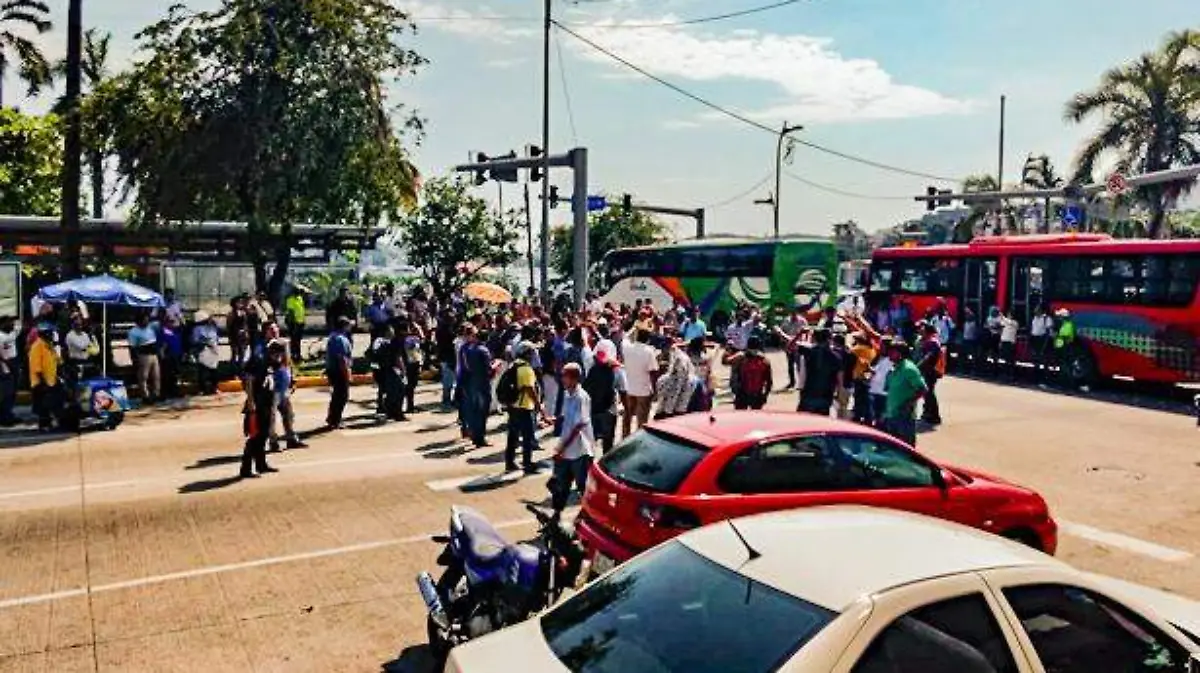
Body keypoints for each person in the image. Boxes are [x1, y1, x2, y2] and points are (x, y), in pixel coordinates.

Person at [550, 363, 594, 512]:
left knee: (583, 488)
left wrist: (562, 448)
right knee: (559, 487)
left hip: (579, 451)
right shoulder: (568, 394)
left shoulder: (582, 397)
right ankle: (555, 519)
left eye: (565, 376)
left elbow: (578, 427)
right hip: (566, 450)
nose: (562, 379)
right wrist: (555, 420)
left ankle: (587, 517)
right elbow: (567, 418)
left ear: (574, 378)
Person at [240, 341, 282, 478]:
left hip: (266, 403)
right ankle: (245, 469)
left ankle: (261, 464)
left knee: (263, 435)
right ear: (272, 353)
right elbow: (249, 380)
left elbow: (282, 366)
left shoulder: (272, 362)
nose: (279, 358)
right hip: (257, 404)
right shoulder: (259, 361)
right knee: (255, 437)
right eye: (278, 355)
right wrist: (251, 401)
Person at [503, 343, 542, 473]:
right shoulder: (526, 369)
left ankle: (510, 462)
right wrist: (537, 404)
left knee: (513, 435)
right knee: (528, 436)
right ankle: (527, 463)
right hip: (524, 406)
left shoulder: (514, 364)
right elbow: (530, 388)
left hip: (513, 406)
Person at [882, 341, 927, 446]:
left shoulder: (909, 369)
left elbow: (922, 389)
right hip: (891, 414)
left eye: (892, 352)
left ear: (900, 353)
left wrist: (907, 404)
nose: (889, 354)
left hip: (904, 416)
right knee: (893, 448)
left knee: (906, 447)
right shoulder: (894, 368)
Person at [620, 328, 659, 438]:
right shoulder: (649, 351)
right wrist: (654, 390)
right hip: (644, 390)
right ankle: (639, 441)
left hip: (629, 388)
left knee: (627, 416)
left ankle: (625, 438)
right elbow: (653, 372)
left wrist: (634, 328)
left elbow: (625, 337)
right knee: (642, 420)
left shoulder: (627, 348)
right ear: (648, 339)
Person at [582, 347, 621, 454]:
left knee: (591, 440)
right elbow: (621, 390)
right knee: (607, 441)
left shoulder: (593, 370)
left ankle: (589, 464)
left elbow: (585, 388)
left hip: (594, 410)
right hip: (607, 411)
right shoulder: (613, 372)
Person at [460, 325, 493, 448]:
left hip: (473, 382)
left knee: (475, 411)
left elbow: (466, 366)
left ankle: (475, 436)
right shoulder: (483, 351)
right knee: (483, 411)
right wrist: (495, 366)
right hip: (482, 384)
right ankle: (480, 438)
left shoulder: (469, 350)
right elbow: (489, 370)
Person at [798, 328, 841, 416]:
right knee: (821, 424)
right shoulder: (836, 357)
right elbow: (840, 379)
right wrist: (838, 394)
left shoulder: (809, 351)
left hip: (808, 394)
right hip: (826, 396)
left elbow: (790, 346)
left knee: (803, 423)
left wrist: (799, 334)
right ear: (829, 339)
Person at [273, 345, 306, 450]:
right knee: (271, 419)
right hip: (272, 393)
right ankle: (273, 442)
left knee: (289, 416)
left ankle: (291, 439)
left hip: (283, 393)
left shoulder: (285, 360)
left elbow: (289, 370)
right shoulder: (268, 360)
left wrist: (291, 381)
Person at [29, 327, 60, 431]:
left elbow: (56, 360)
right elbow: (37, 367)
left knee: (49, 403)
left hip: (50, 380)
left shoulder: (48, 345)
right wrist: (43, 383)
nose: (52, 336)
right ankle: (43, 425)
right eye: (50, 333)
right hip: (40, 381)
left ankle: (48, 423)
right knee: (42, 405)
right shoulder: (37, 346)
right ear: (44, 334)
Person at [324, 317, 354, 429]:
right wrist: (347, 373)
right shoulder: (340, 339)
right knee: (342, 396)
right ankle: (335, 419)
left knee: (337, 395)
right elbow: (342, 358)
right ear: (344, 326)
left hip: (333, 370)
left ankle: (332, 417)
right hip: (339, 371)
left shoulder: (333, 336)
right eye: (348, 325)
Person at [655, 339, 696, 418]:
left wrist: (669, 410)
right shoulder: (674, 356)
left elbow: (679, 383)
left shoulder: (680, 358)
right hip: (670, 402)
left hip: (676, 404)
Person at [128, 313, 160, 404]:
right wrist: (134, 359)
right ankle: (145, 396)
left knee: (156, 375)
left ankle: (156, 395)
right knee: (143, 377)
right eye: (144, 320)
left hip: (154, 354)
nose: (146, 321)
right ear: (139, 321)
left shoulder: (150, 327)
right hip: (144, 355)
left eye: (147, 319)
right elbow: (132, 347)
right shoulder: (134, 332)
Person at [732, 336, 772, 410]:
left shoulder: (740, 359)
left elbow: (734, 377)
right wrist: (765, 395)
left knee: (740, 418)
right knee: (756, 419)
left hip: (742, 393)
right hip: (757, 393)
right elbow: (769, 381)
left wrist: (735, 392)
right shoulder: (765, 361)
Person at [916, 323, 944, 425]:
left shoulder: (932, 342)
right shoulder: (925, 341)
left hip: (930, 372)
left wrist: (917, 366)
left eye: (923, 330)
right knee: (927, 393)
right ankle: (927, 413)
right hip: (925, 371)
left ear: (928, 331)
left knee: (929, 393)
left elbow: (927, 357)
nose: (920, 331)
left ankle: (935, 416)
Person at [775, 308, 808, 390]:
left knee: (799, 365)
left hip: (799, 346)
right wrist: (783, 343)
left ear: (797, 313)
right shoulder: (786, 320)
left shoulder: (802, 321)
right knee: (790, 365)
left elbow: (807, 331)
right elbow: (781, 331)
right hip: (789, 346)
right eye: (792, 313)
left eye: (795, 313)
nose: (793, 315)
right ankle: (792, 382)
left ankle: (801, 383)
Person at [849, 332, 877, 425]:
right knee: (866, 398)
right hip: (867, 376)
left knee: (858, 398)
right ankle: (867, 417)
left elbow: (849, 351)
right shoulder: (872, 349)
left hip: (859, 376)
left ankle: (858, 416)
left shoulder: (858, 349)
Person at [191, 311, 221, 395]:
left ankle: (214, 388)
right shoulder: (197, 329)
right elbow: (194, 340)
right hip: (203, 350)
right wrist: (205, 342)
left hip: (213, 350)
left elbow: (216, 337)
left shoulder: (213, 328)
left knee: (214, 371)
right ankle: (202, 389)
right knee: (203, 371)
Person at [867, 337, 894, 428]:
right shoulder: (879, 357)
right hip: (874, 391)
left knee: (883, 420)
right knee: (876, 418)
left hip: (884, 394)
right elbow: (875, 371)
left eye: (882, 345)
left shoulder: (892, 360)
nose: (880, 347)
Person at [63, 315, 96, 388]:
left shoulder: (85, 334)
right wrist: (87, 346)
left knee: (88, 385)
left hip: (86, 362)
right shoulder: (70, 335)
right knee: (78, 386)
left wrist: (87, 346)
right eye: (77, 325)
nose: (80, 326)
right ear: (72, 325)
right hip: (76, 363)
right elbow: (81, 346)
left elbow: (89, 345)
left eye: (81, 324)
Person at [435, 309, 458, 410]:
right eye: (452, 318)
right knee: (448, 381)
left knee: (448, 381)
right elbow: (450, 342)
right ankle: (446, 400)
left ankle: (448, 399)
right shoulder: (446, 330)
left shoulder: (443, 329)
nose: (454, 319)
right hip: (448, 357)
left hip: (445, 357)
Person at [158, 316, 184, 399]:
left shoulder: (175, 332)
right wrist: (162, 356)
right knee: (166, 376)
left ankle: (174, 391)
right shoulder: (163, 332)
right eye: (170, 322)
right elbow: (162, 346)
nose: (172, 323)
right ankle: (165, 393)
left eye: (172, 322)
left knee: (175, 375)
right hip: (168, 357)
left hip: (176, 356)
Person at [686, 337, 713, 413]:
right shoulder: (687, 358)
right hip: (690, 386)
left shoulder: (706, 357)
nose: (704, 346)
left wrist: (710, 388)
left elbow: (708, 373)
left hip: (702, 387)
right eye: (702, 345)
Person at [0, 315, 19, 426]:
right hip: (4, 366)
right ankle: (4, 418)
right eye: (9, 322)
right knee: (6, 393)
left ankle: (9, 414)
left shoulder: (13, 333)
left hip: (14, 362)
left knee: (12, 393)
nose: (12, 324)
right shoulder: (0, 336)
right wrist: (6, 364)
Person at [1030, 304, 1054, 383]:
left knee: (1045, 361)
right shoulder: (1034, 318)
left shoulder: (1047, 318)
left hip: (1042, 340)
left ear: (1041, 310)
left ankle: (1046, 378)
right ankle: (1036, 377)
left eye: (1037, 309)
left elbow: (1048, 333)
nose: (1035, 310)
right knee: (1035, 359)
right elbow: (1033, 330)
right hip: (1035, 339)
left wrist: (1044, 345)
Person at [283, 288, 307, 362]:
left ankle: (298, 355)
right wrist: (294, 324)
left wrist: (303, 321)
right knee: (294, 340)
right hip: (293, 323)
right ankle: (293, 355)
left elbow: (301, 310)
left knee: (298, 340)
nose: (298, 293)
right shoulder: (290, 299)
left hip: (300, 322)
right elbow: (290, 312)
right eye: (297, 291)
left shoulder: (300, 298)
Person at [998, 310, 1020, 380]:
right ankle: (1005, 374)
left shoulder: (1015, 323)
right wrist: (1000, 342)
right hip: (1004, 342)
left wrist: (1002, 316)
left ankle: (1011, 375)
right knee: (1005, 359)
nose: (1008, 315)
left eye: (1009, 314)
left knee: (1011, 360)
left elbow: (1008, 322)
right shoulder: (1005, 321)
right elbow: (1001, 325)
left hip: (1010, 343)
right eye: (1008, 314)